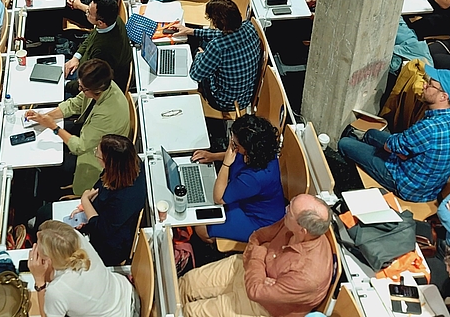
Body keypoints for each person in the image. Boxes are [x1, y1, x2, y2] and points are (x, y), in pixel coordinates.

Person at [179, 194, 335, 317]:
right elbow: (257, 237)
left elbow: (256, 292)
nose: (286, 209)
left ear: (303, 231)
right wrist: (255, 261)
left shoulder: (308, 275)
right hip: (247, 268)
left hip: (263, 307)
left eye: (290, 212)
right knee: (185, 284)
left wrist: (260, 253)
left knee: (190, 313)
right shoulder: (292, 222)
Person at [338, 66, 450, 202]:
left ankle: (351, 175)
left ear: (443, 96)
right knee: (371, 134)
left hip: (407, 184)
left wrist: (400, 150)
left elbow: (390, 146)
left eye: (430, 84)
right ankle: (363, 148)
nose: (424, 85)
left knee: (344, 143)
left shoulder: (429, 127)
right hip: (427, 183)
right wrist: (403, 150)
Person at [27, 59, 132, 196]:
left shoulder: (107, 114)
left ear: (97, 89)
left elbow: (80, 147)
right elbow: (74, 104)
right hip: (89, 131)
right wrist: (44, 117)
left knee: (51, 164)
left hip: (99, 155)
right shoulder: (103, 84)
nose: (79, 89)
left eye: (82, 88)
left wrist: (54, 127)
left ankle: (51, 194)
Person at [191, 115, 286, 244]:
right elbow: (236, 155)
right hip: (248, 199)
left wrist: (225, 164)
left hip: (259, 220)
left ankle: (220, 246)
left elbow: (219, 198)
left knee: (201, 228)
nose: (231, 146)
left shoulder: (254, 178)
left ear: (248, 150)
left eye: (235, 144)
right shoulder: (264, 149)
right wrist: (212, 157)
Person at [61, 134, 147, 267]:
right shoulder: (129, 164)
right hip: (98, 218)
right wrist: (84, 208)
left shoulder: (124, 199)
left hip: (108, 248)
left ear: (110, 163)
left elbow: (100, 229)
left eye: (98, 154)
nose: (96, 153)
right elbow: (101, 186)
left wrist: (85, 201)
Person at [28, 220, 138, 317]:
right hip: (127, 293)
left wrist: (39, 281)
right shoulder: (76, 237)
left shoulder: (57, 290)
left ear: (49, 260)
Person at [173, 0, 263, 112]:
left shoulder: (217, 47)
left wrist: (200, 55)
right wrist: (192, 31)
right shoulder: (249, 27)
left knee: (196, 50)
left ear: (216, 23)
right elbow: (224, 36)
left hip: (223, 101)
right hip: (244, 97)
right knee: (201, 41)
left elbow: (195, 75)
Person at [62, 0, 133, 92]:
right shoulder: (113, 20)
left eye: (89, 13)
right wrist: (76, 57)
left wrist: (65, 85)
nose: (86, 13)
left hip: (88, 82)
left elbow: (89, 83)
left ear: (100, 23)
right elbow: (92, 37)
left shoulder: (103, 51)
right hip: (84, 65)